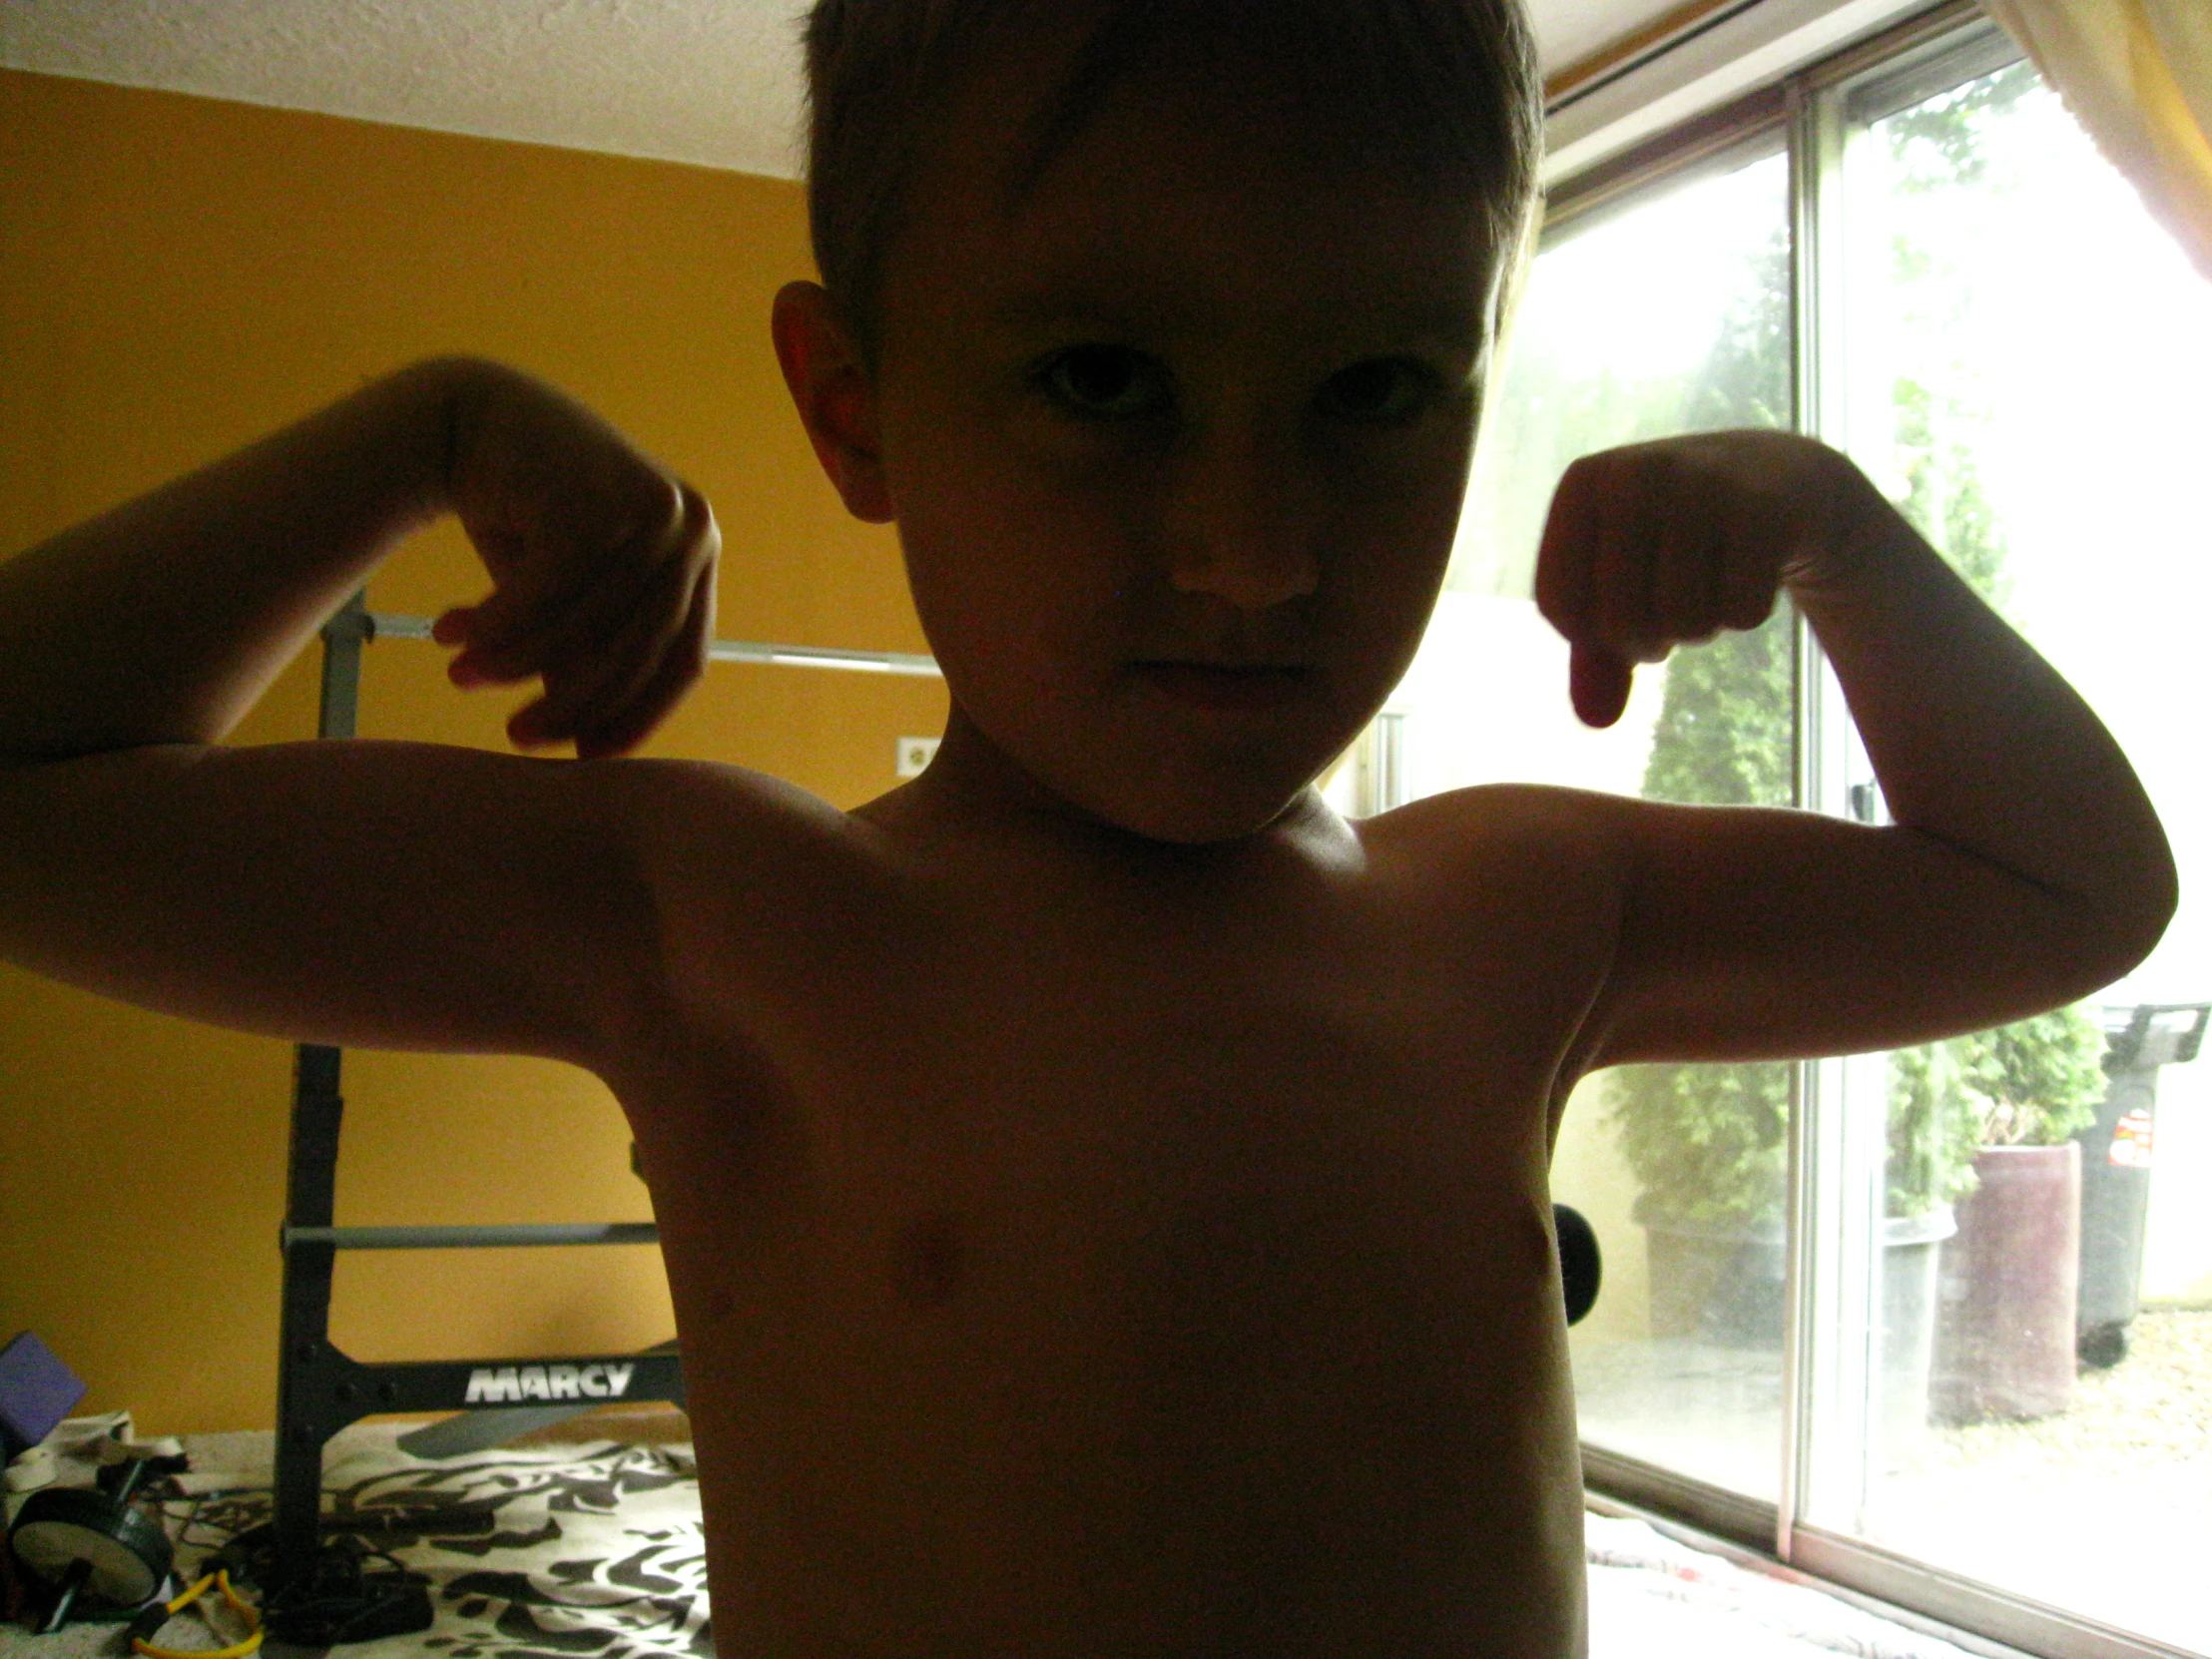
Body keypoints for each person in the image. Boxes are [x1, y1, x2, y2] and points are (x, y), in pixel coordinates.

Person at [0, 0, 2175, 1653]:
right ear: (857, 411)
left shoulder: (1520, 904)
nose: (1249, 551)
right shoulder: (730, 911)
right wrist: (424, 430)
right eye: (1103, 381)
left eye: (1377, 395)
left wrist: (1833, 528)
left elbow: (2069, 893)